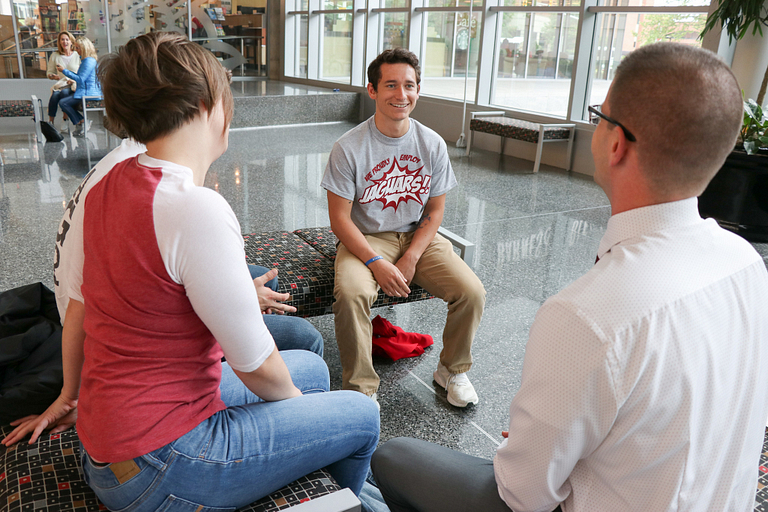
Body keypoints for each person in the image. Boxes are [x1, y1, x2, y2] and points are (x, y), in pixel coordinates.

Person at [371, 42, 768, 512]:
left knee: (391, 455)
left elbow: (523, 493)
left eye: (599, 115)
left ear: (615, 143)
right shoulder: (747, 264)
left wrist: (535, 445)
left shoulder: (587, 316)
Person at [3, 32, 379, 511]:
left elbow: (78, 307)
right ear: (207, 102)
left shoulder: (109, 183)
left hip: (107, 447)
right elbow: (258, 366)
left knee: (309, 371)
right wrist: (306, 416)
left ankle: (333, 484)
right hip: (163, 466)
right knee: (361, 415)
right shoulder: (194, 206)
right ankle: (347, 503)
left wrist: (69, 396)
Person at [321, 48, 486, 408]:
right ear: (372, 90)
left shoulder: (432, 143)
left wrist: (412, 255)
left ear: (418, 89)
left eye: (409, 85)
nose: (401, 94)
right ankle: (360, 390)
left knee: (471, 291)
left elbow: (436, 209)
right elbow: (339, 220)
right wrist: (375, 263)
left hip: (419, 237)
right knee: (351, 294)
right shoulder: (348, 148)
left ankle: (451, 370)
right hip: (366, 239)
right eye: (391, 85)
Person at [58, 36, 102, 137]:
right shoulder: (87, 60)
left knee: (63, 102)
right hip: (86, 91)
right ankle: (81, 122)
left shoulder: (89, 61)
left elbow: (81, 79)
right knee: (63, 98)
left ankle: (82, 121)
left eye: (78, 48)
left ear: (84, 48)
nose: (76, 50)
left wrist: (64, 71)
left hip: (89, 93)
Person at [46, 31, 81, 126]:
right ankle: (51, 122)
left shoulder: (77, 55)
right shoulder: (55, 55)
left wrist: (74, 80)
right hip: (62, 84)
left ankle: (65, 119)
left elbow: (82, 73)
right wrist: (52, 76)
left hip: (74, 84)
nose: (65, 42)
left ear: (71, 42)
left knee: (64, 93)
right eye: (62, 39)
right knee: (54, 96)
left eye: (67, 39)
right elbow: (49, 72)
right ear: (59, 42)